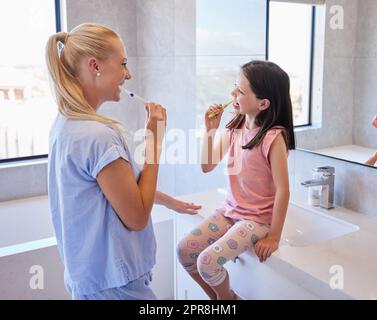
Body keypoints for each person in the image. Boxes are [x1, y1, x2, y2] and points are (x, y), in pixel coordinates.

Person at [46, 22, 200, 300]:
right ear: (95, 66)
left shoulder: (66, 125)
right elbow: (138, 217)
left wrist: (170, 202)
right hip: (115, 287)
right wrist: (154, 139)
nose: (127, 75)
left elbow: (116, 188)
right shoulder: (99, 136)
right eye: (123, 64)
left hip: (91, 279)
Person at [177, 60, 295, 300]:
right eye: (235, 87)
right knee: (184, 251)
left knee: (207, 263)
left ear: (263, 103)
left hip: (257, 220)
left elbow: (283, 190)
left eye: (240, 91)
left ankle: (225, 300)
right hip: (231, 212)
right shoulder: (236, 127)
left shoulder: (274, 138)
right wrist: (210, 129)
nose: (233, 94)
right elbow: (207, 165)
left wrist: (274, 237)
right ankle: (222, 299)